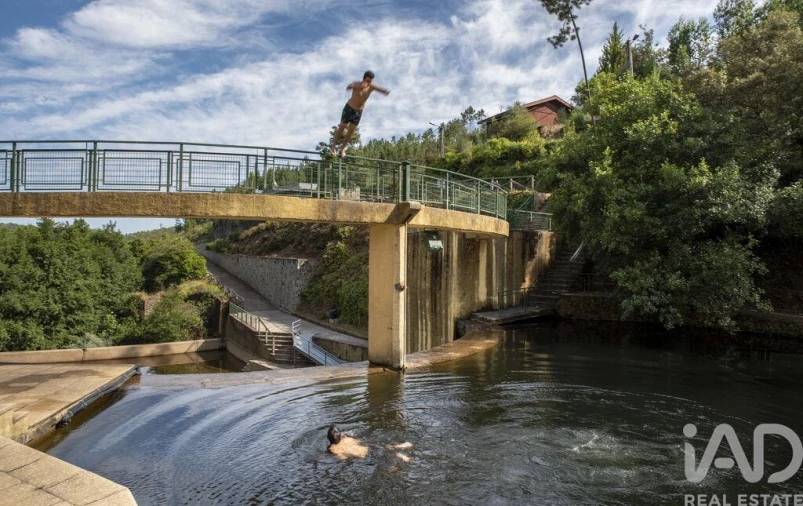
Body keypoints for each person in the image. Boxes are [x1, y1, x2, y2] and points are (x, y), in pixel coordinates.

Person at [330, 70, 390, 157]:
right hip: (349, 108)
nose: (369, 83)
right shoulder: (356, 84)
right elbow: (348, 87)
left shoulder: (371, 86)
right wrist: (356, 86)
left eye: (371, 81)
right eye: (368, 81)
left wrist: (385, 91)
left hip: (358, 112)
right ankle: (333, 147)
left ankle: (343, 149)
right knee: (342, 127)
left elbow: (380, 89)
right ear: (364, 79)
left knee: (351, 131)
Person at [326, 425, 412, 463]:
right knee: (382, 448)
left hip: (363, 453)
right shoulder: (345, 438)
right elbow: (358, 440)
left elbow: (343, 458)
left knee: (382, 452)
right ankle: (400, 452)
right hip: (366, 449)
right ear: (340, 435)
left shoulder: (332, 449)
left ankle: (399, 452)